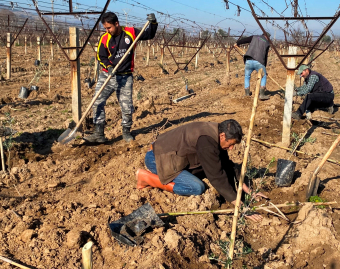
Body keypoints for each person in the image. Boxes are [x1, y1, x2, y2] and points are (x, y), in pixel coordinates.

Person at [136, 119, 267, 221]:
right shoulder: (207, 141)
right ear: (222, 136)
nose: (232, 148)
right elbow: (217, 177)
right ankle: (147, 178)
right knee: (196, 187)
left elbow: (225, 164)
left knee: (214, 168)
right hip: (158, 159)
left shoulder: (215, 133)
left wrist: (249, 190)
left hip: (175, 158)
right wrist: (242, 207)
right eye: (231, 144)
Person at [84, 12, 158, 143]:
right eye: (105, 28)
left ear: (116, 24)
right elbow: (101, 57)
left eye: (109, 28)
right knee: (97, 102)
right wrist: (109, 66)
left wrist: (153, 23)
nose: (107, 30)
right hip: (108, 75)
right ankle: (98, 133)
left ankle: (126, 131)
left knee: (126, 106)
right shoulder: (104, 38)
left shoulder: (131, 32)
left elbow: (149, 35)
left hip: (125, 77)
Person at [234, 34, 270, 100]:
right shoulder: (267, 43)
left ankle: (247, 93)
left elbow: (245, 40)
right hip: (259, 62)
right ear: (267, 37)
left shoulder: (255, 37)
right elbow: (265, 56)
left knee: (247, 76)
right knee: (263, 76)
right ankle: (262, 94)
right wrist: (264, 68)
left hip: (248, 60)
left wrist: (237, 43)